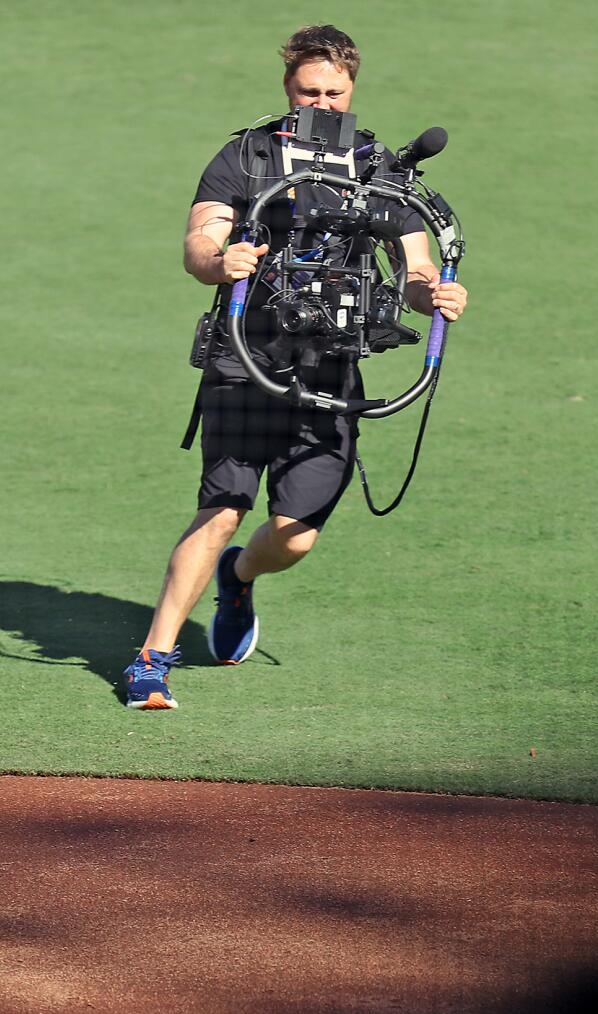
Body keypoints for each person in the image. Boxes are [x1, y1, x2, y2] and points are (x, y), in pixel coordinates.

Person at [122, 25, 468, 710]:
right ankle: (150, 658)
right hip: (245, 356)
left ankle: (241, 577)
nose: (323, 102)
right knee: (220, 508)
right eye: (310, 91)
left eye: (335, 92)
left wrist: (434, 294)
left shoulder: (380, 170)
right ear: (288, 88)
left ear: (353, 88)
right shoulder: (245, 157)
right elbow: (200, 238)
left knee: (296, 536)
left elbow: (414, 266)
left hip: (332, 367)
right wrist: (219, 262)